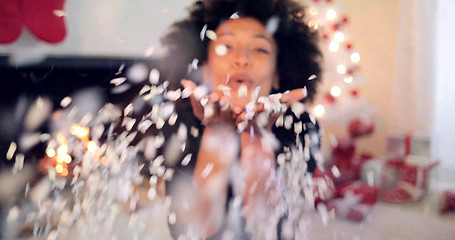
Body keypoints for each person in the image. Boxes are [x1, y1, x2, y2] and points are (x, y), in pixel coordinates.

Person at [159, 0, 323, 239]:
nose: (242, 59)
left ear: (278, 74)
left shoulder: (301, 126)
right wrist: (217, 130)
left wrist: (255, 134)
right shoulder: (180, 122)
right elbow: (190, 231)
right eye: (226, 46)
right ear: (204, 69)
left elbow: (271, 231)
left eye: (260, 49)